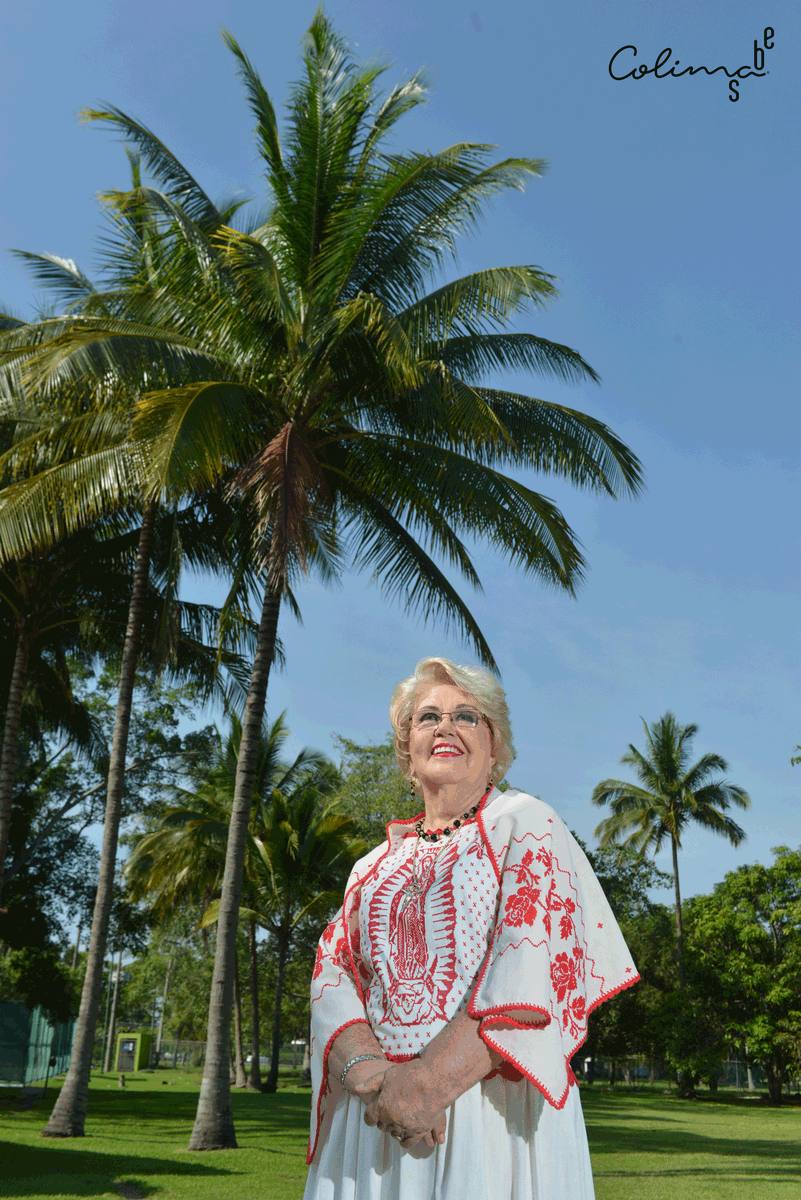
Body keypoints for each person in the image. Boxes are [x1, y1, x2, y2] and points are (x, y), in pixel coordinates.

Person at [304, 657, 638, 1200]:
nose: (445, 726)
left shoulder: (526, 821)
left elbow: (529, 964)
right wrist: (374, 1080)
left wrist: (430, 1084)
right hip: (377, 1118)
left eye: (466, 716)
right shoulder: (368, 866)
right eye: (427, 716)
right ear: (406, 750)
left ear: (495, 749)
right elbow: (332, 973)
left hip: (491, 1114)